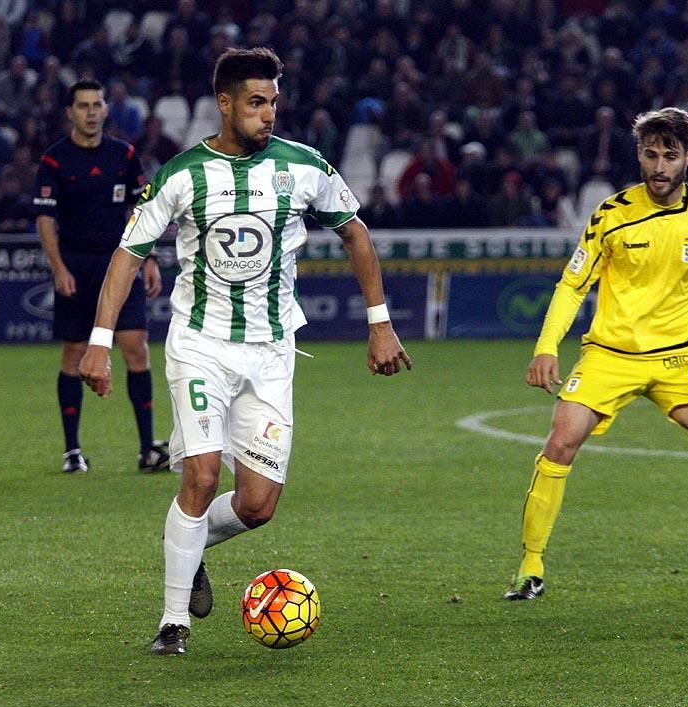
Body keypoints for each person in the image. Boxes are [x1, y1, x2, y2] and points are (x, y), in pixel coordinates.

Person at [77, 48, 412, 656]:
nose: (268, 116)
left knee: (258, 507)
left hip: (271, 353)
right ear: (225, 104)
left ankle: (194, 544)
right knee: (202, 476)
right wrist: (99, 344)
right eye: (257, 104)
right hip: (200, 344)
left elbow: (356, 233)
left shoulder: (302, 166)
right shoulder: (182, 174)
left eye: (274, 103)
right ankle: (173, 623)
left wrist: (379, 322)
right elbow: (128, 254)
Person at [505, 107, 688, 602]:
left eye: (671, 155)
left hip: (680, 358)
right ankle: (530, 569)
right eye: (651, 154)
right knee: (560, 443)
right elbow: (571, 285)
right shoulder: (612, 215)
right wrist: (545, 348)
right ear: (639, 156)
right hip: (612, 355)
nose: (660, 166)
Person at [34, 79, 169, 475]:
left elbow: (140, 212)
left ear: (106, 110)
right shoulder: (55, 160)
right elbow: (45, 219)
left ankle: (147, 449)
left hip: (120, 264)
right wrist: (58, 268)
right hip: (77, 266)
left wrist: (150, 258)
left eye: (97, 105)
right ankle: (72, 451)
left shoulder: (123, 155)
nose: (91, 112)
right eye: (83, 106)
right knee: (75, 355)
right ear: (70, 112)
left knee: (136, 350)